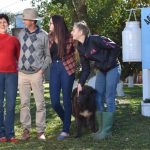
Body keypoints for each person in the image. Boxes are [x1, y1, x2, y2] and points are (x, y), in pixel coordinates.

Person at [71, 21, 121, 140]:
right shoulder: (80, 47)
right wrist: (80, 83)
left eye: (74, 30)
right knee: (98, 97)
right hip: (101, 71)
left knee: (109, 97)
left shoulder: (95, 39)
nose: (71, 32)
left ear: (81, 32)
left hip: (113, 68)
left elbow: (115, 47)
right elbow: (86, 68)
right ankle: (100, 129)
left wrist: (108, 63)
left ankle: (107, 131)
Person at [18, 8, 51, 141]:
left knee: (40, 103)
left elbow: (48, 56)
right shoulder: (20, 33)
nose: (24, 21)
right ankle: (26, 130)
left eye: (25, 19)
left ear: (32, 21)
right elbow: (17, 52)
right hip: (22, 74)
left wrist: (42, 70)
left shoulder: (43, 35)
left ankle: (40, 131)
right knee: (24, 103)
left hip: (37, 74)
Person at [49, 15, 75, 140]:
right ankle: (67, 120)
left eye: (51, 23)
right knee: (54, 102)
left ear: (57, 24)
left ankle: (66, 130)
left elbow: (72, 51)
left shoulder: (69, 37)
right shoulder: (49, 37)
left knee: (66, 99)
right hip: (54, 68)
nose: (49, 25)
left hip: (66, 68)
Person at [0, 14, 20, 142]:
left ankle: (10, 133)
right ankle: (1, 133)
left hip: (12, 75)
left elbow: (19, 57)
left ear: (8, 24)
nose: (2, 24)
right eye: (0, 22)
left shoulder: (14, 39)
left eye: (4, 22)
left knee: (11, 104)